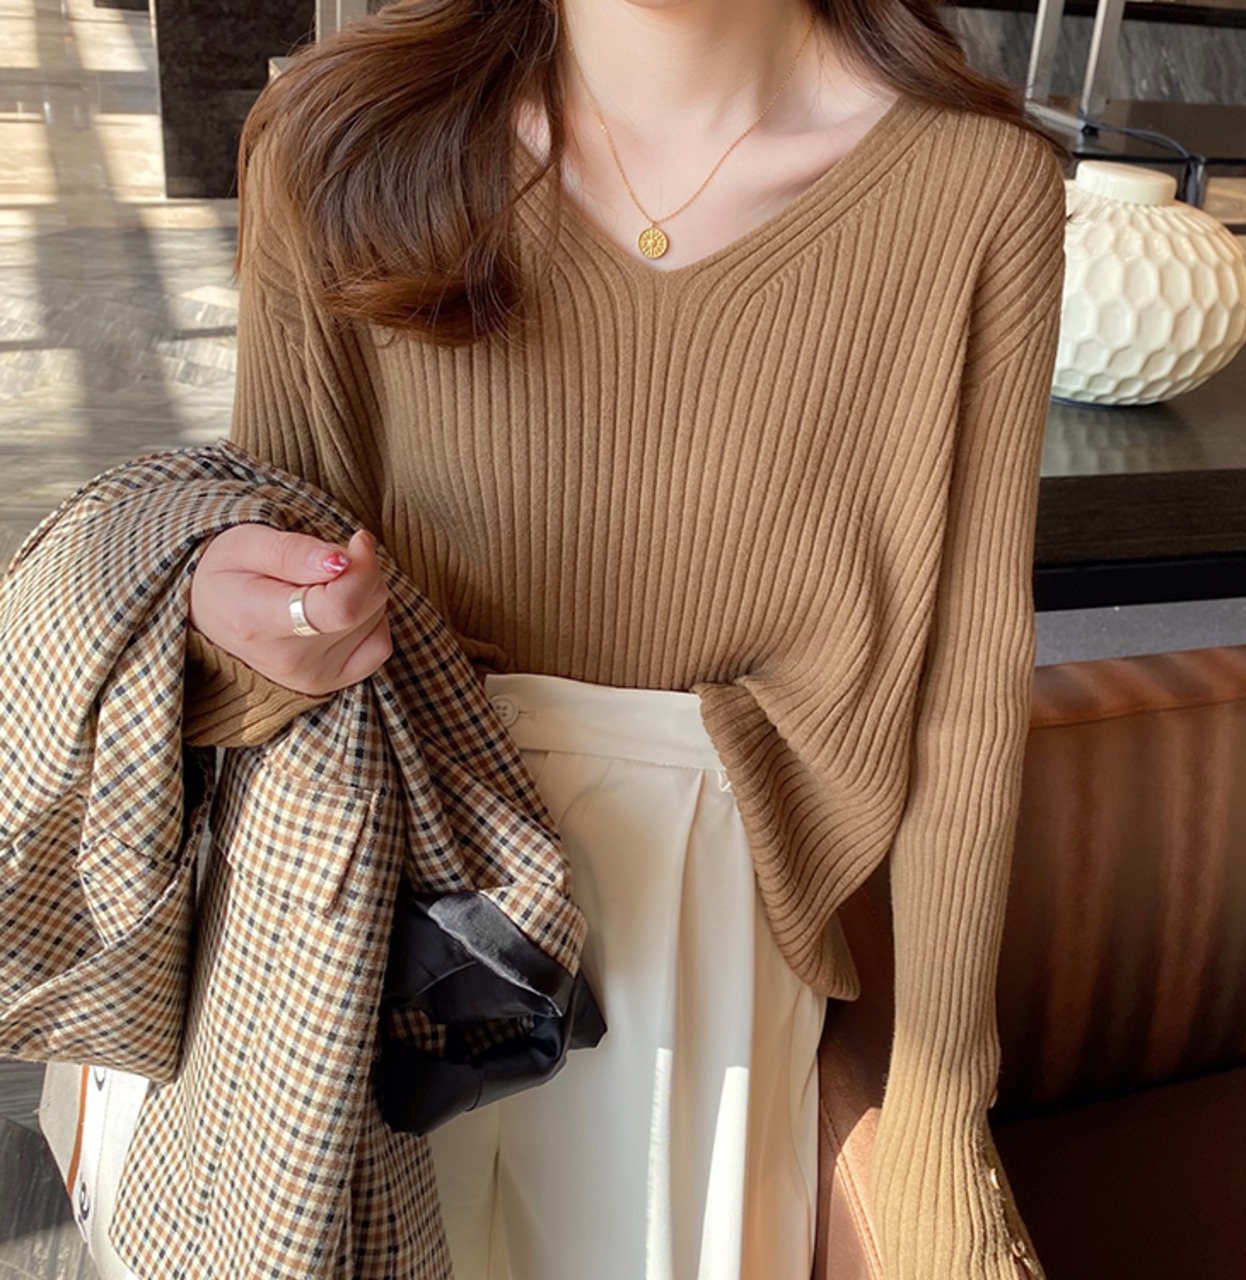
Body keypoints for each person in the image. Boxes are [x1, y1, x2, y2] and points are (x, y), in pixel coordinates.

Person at [184, 1, 1069, 1277]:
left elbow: (962, 689)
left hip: (708, 951)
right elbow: (271, 613)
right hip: (373, 921)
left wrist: (936, 1110)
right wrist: (241, 617)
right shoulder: (336, 140)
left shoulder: (973, 191)